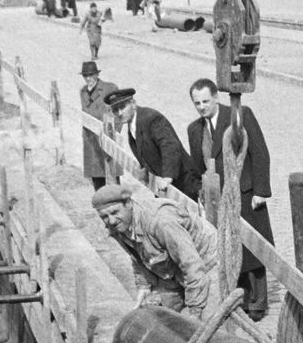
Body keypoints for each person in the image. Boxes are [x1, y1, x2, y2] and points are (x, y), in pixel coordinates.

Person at [187, 79, 274, 322]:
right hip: (218, 198)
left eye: (206, 101)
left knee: (252, 247)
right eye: (197, 103)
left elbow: (259, 152)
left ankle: (258, 301)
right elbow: (197, 166)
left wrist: (261, 190)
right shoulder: (195, 130)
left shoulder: (239, 116)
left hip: (244, 191)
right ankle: (240, 298)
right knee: (229, 246)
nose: (202, 107)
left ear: (216, 97)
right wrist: (202, 192)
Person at [91, 184, 219, 319]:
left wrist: (195, 310)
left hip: (206, 260)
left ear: (129, 203)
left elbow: (192, 265)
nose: (110, 220)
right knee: (159, 318)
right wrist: (143, 286)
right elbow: (138, 255)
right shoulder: (119, 225)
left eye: (115, 212)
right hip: (171, 265)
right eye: (104, 216)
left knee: (208, 325)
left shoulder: (161, 221)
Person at [106, 87, 198, 197]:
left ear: (133, 104)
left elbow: (170, 145)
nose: (119, 113)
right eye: (115, 110)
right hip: (166, 186)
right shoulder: (132, 125)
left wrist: (167, 177)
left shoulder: (151, 118)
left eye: (122, 107)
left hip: (185, 181)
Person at [80, 59, 121, 189]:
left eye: (91, 75)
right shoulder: (83, 91)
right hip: (91, 142)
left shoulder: (110, 88)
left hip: (107, 139)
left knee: (113, 181)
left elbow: (119, 113)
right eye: (85, 76)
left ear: (97, 75)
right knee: (97, 183)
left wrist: (114, 135)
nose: (88, 79)